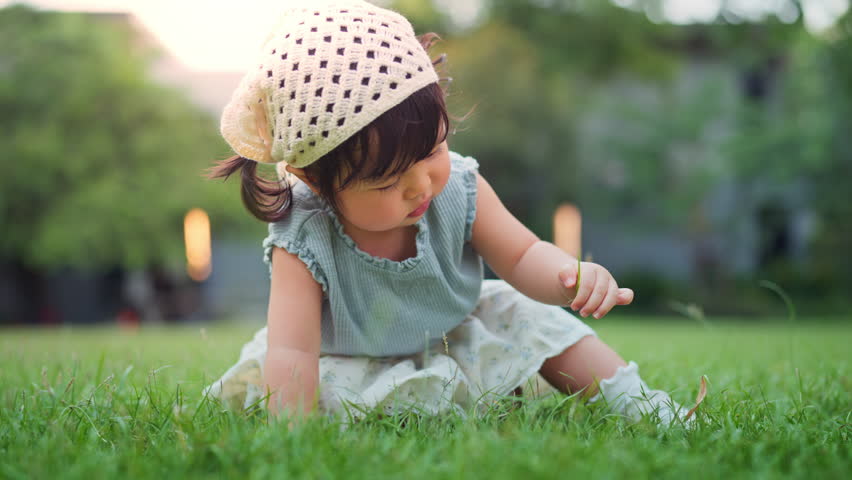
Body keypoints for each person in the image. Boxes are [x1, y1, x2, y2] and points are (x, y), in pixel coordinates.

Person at [204, 0, 694, 426]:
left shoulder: (457, 183)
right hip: (349, 354)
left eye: (434, 149)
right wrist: (294, 431)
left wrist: (569, 277)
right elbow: (294, 352)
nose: (422, 185)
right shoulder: (304, 232)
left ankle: (640, 404)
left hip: (450, 330)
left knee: (527, 313)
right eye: (389, 180)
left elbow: (522, 256)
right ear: (316, 180)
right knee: (332, 391)